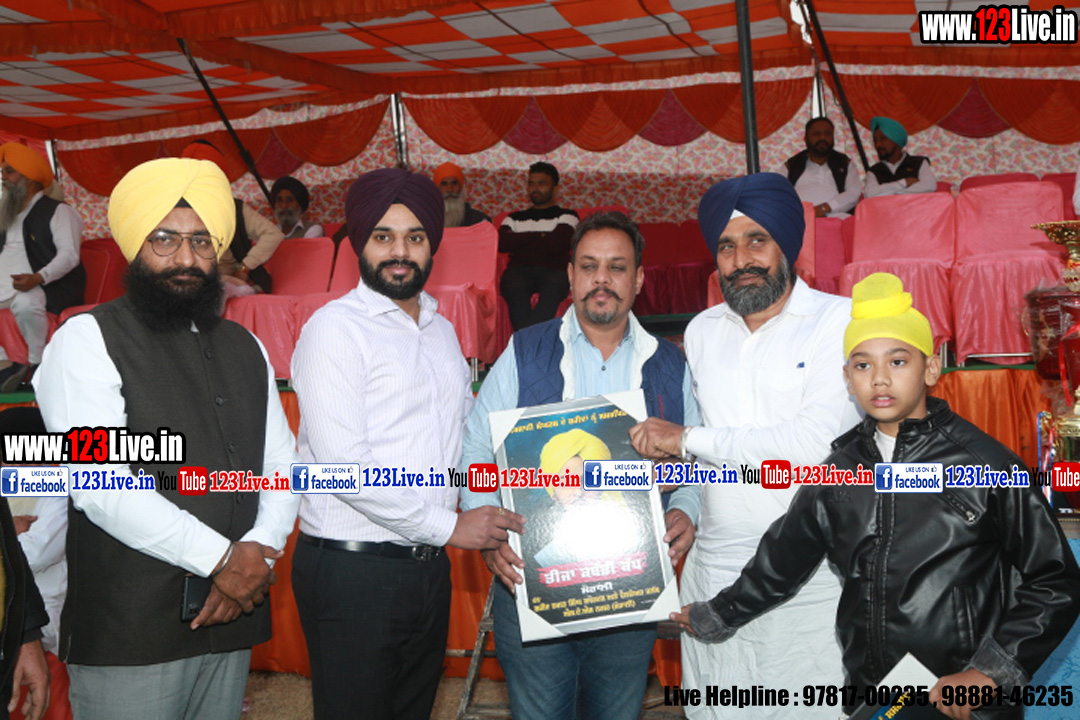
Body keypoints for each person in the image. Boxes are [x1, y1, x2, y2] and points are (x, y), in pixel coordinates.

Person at [675, 272, 1080, 720]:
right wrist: (717, 614)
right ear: (847, 379)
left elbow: (1055, 580)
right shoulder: (838, 472)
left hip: (962, 701)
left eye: (898, 361)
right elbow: (782, 560)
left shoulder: (986, 465)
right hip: (873, 698)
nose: (880, 379)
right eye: (863, 365)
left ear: (930, 369)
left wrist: (990, 673)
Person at [33, 157, 300, 720]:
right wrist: (223, 560)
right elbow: (101, 486)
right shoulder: (86, 340)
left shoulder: (245, 346)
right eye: (165, 239)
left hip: (232, 615)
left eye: (201, 241)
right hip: (133, 632)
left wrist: (258, 553)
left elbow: (281, 467)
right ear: (135, 246)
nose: (185, 257)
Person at [290, 168, 523, 720]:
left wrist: (507, 496)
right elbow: (343, 468)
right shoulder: (333, 330)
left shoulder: (441, 331)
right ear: (359, 243)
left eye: (415, 237)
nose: (400, 252)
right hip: (353, 571)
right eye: (384, 236)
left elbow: (463, 438)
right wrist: (452, 528)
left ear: (432, 245)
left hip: (427, 568)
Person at [629, 173, 860, 719]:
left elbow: (813, 446)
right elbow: (700, 458)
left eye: (758, 240)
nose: (741, 260)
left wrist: (686, 439)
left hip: (811, 576)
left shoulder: (839, 321)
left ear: (788, 245)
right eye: (727, 247)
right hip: (714, 570)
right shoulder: (703, 331)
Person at [461, 211, 702, 720]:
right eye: (589, 266)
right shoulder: (525, 350)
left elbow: (694, 459)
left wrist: (686, 506)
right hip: (533, 582)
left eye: (617, 267)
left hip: (631, 585)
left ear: (639, 279)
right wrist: (489, 528)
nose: (602, 279)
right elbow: (477, 447)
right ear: (570, 275)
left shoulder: (671, 363)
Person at [0, 143, 85, 393]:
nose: (3, 178)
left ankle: (37, 364)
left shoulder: (59, 211)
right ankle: (6, 365)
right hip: (5, 288)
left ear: (30, 178)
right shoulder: (5, 214)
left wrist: (38, 277)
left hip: (46, 288)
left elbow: (69, 255)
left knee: (26, 302)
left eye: (9, 172)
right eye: (2, 172)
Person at [180, 140, 284, 294]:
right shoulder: (176, 212)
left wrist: (244, 267)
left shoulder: (235, 209)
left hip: (229, 283)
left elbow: (273, 234)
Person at [498, 162, 579, 330]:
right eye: (531, 183)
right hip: (518, 271)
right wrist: (540, 235)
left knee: (554, 286)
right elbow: (502, 243)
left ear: (555, 188)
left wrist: (521, 240)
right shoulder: (513, 218)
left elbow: (556, 244)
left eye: (542, 183)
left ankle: (525, 339)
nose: (535, 188)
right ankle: (530, 340)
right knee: (513, 287)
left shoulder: (568, 216)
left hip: (554, 271)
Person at [784, 116, 862, 218]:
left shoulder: (845, 163)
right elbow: (777, 193)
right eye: (817, 134)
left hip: (838, 220)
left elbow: (853, 194)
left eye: (828, 133)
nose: (823, 138)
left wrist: (825, 208)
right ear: (806, 139)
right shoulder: (791, 166)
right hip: (799, 220)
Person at [864, 116, 938, 198]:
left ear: (896, 140)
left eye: (883, 138)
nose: (878, 145)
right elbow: (870, 194)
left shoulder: (919, 163)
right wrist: (904, 183)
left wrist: (893, 194)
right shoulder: (874, 171)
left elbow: (929, 186)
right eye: (875, 140)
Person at [433, 162, 490, 227]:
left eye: (454, 183)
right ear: (437, 189)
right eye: (444, 184)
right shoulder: (427, 220)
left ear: (461, 187)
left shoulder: (479, 221)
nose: (449, 189)